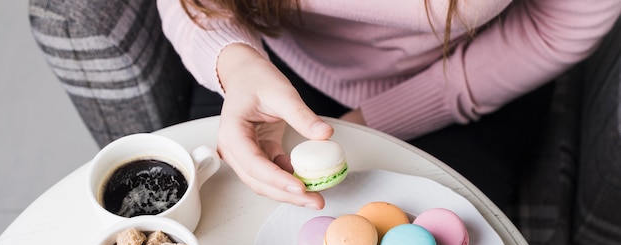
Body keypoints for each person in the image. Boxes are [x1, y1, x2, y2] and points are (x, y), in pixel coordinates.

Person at [157, 0, 621, 212]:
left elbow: (565, 19)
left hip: (470, 72)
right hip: (267, 62)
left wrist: (375, 122)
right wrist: (234, 62)